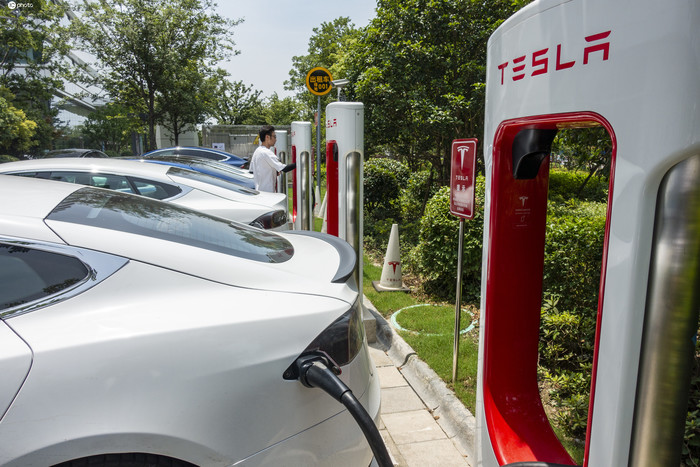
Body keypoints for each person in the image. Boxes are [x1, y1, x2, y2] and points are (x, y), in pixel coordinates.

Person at [250, 125, 296, 192]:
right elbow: (284, 168)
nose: (276, 139)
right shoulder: (266, 152)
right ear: (267, 137)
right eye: (274, 137)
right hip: (267, 193)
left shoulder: (257, 151)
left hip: (260, 191)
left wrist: (274, 171)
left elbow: (253, 170)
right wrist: (299, 163)